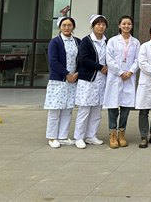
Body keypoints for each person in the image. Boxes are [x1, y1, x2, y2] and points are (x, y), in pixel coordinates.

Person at [103, 15, 140, 148]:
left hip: (129, 77)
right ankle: (112, 134)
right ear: (119, 25)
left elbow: (138, 59)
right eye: (124, 24)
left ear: (132, 26)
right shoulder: (112, 41)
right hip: (115, 77)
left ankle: (122, 133)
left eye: (129, 24)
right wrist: (120, 72)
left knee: (126, 107)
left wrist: (130, 72)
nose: (126, 26)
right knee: (113, 106)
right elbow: (109, 59)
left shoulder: (136, 42)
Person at [44, 16, 80, 148]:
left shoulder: (78, 42)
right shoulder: (55, 42)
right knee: (54, 110)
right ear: (60, 27)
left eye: (69, 25)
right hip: (58, 81)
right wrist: (67, 74)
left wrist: (76, 74)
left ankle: (63, 136)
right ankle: (52, 137)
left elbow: (81, 60)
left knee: (68, 110)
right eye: (64, 25)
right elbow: (53, 61)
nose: (66, 28)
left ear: (73, 27)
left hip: (72, 81)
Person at [74, 14, 108, 149]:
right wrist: (100, 67)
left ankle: (91, 136)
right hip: (88, 80)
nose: (101, 26)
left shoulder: (107, 41)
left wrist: (108, 67)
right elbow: (84, 59)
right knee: (84, 110)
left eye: (103, 24)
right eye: (98, 24)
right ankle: (79, 137)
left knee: (97, 111)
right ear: (93, 26)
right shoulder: (86, 41)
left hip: (102, 81)